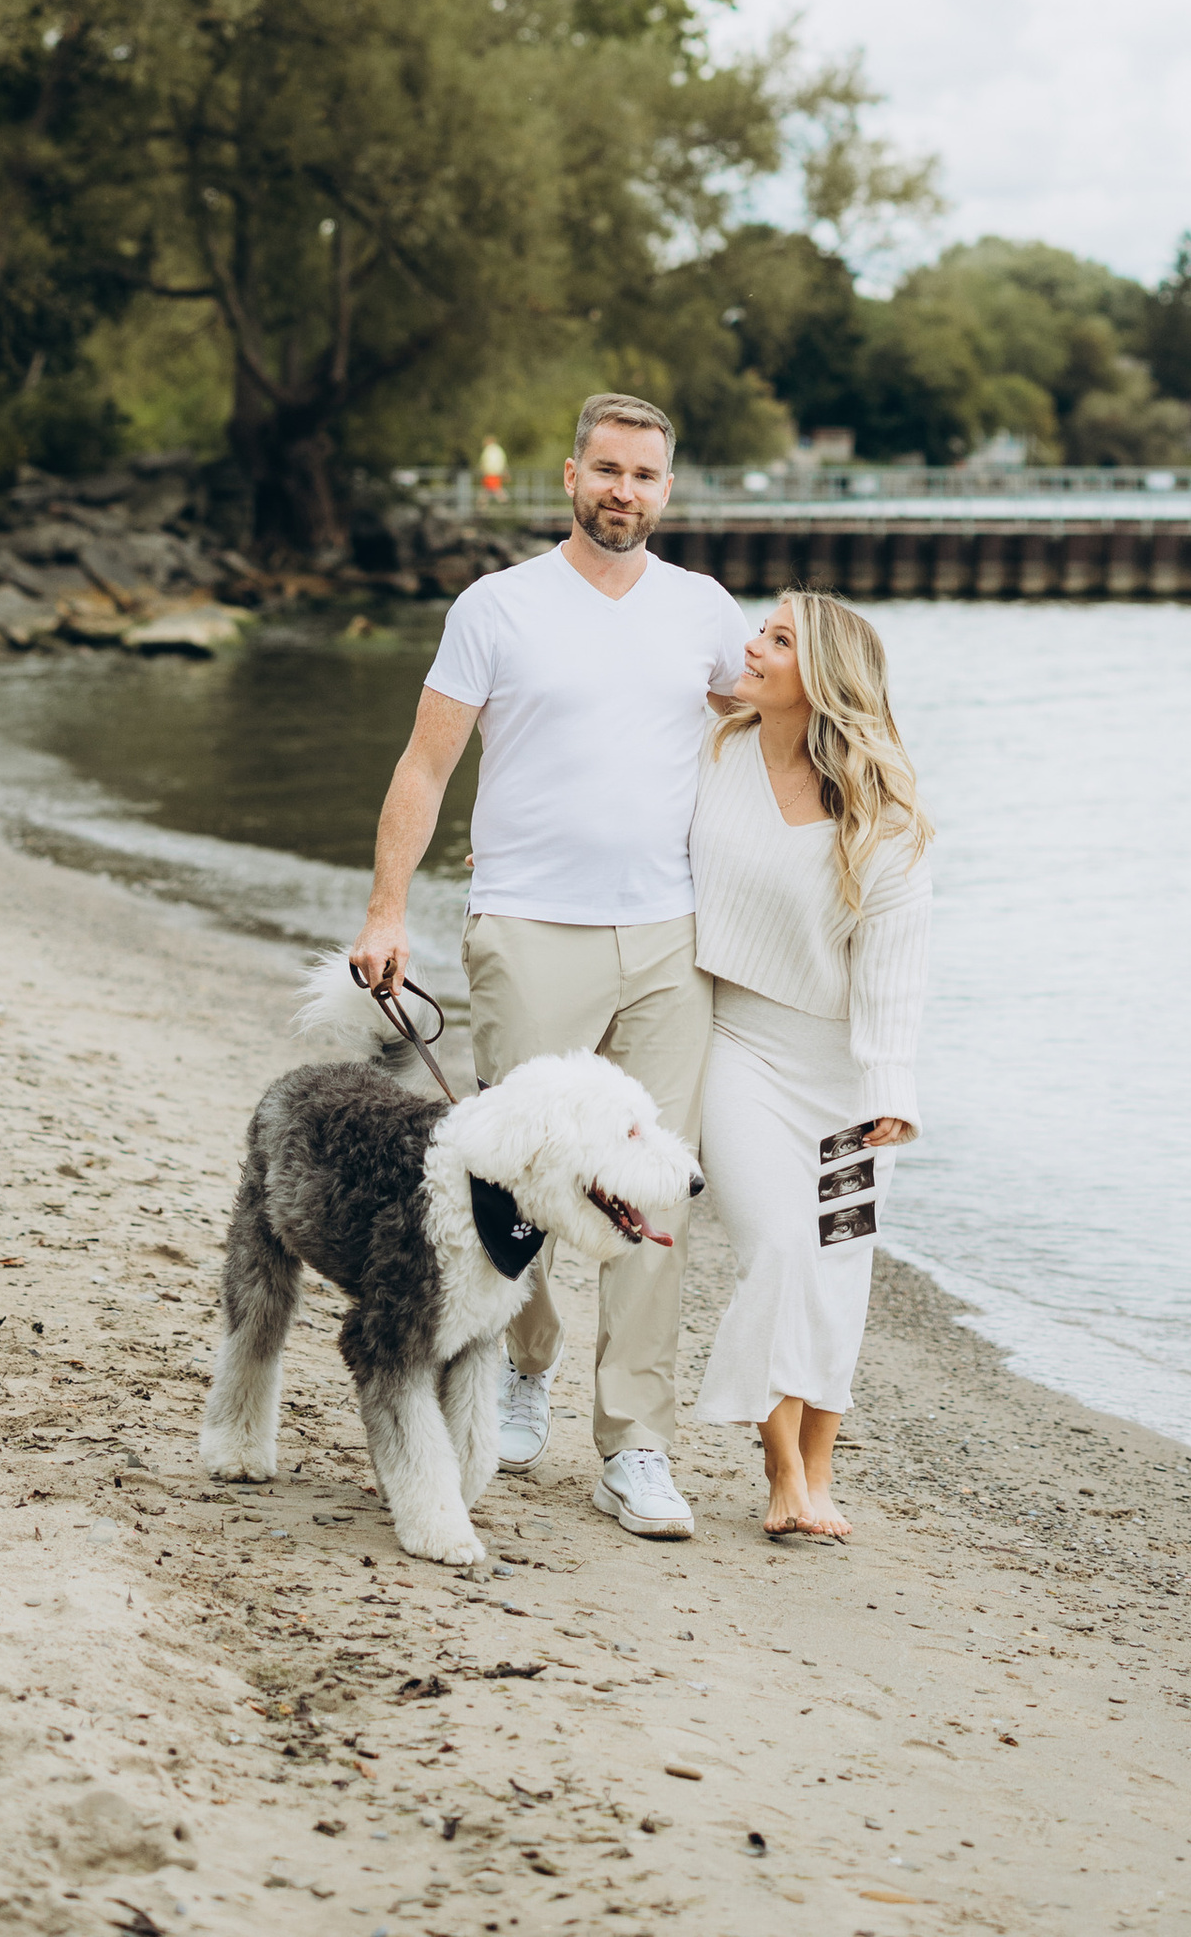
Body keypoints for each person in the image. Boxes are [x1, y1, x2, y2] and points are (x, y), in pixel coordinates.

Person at [349, 393, 745, 1542]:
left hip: (672, 937)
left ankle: (634, 1445)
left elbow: (765, 735)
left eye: (646, 475)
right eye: (607, 469)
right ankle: (522, 1368)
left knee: (653, 1186)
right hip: (527, 929)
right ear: (571, 476)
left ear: (667, 489)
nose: (625, 491)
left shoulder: (703, 610)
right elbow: (425, 766)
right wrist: (386, 911)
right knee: (516, 1177)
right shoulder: (497, 606)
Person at [689, 585, 933, 1541]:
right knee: (781, 1249)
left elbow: (895, 973)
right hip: (738, 1046)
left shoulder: (885, 815)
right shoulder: (713, 752)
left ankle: (819, 1472)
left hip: (845, 1079)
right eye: (761, 629)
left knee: (839, 1263)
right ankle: (781, 1469)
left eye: (779, 639)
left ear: (823, 675)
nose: (752, 646)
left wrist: (889, 1090)